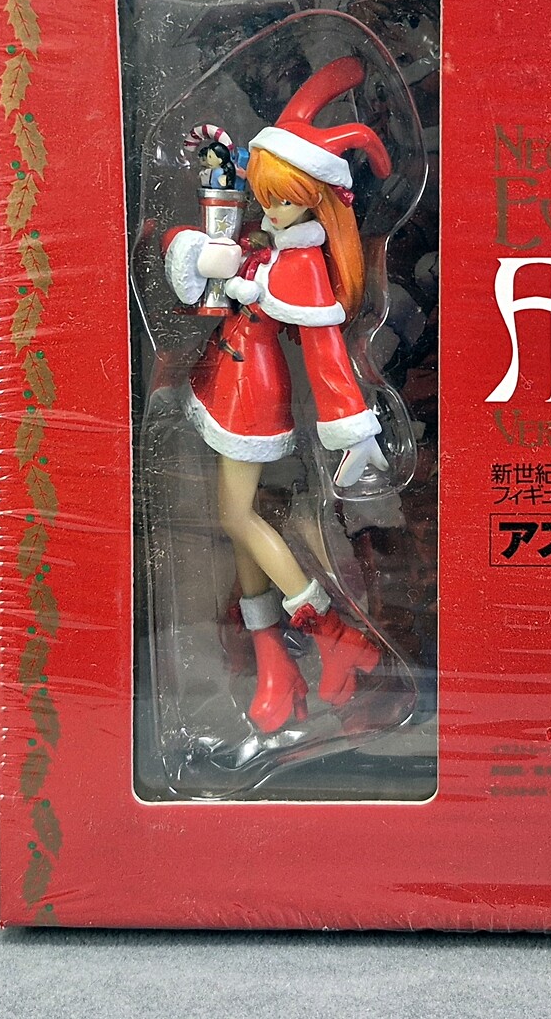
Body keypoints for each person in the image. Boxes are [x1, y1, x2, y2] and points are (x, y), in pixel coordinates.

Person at [161, 58, 392, 732]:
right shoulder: (273, 244)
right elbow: (208, 260)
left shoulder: (304, 268)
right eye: (267, 195)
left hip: (252, 394)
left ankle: (331, 634)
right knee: (236, 523)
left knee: (236, 517)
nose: (270, 208)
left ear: (316, 201)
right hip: (227, 381)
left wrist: (355, 433)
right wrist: (208, 254)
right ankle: (273, 662)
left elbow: (326, 356)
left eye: (283, 199)